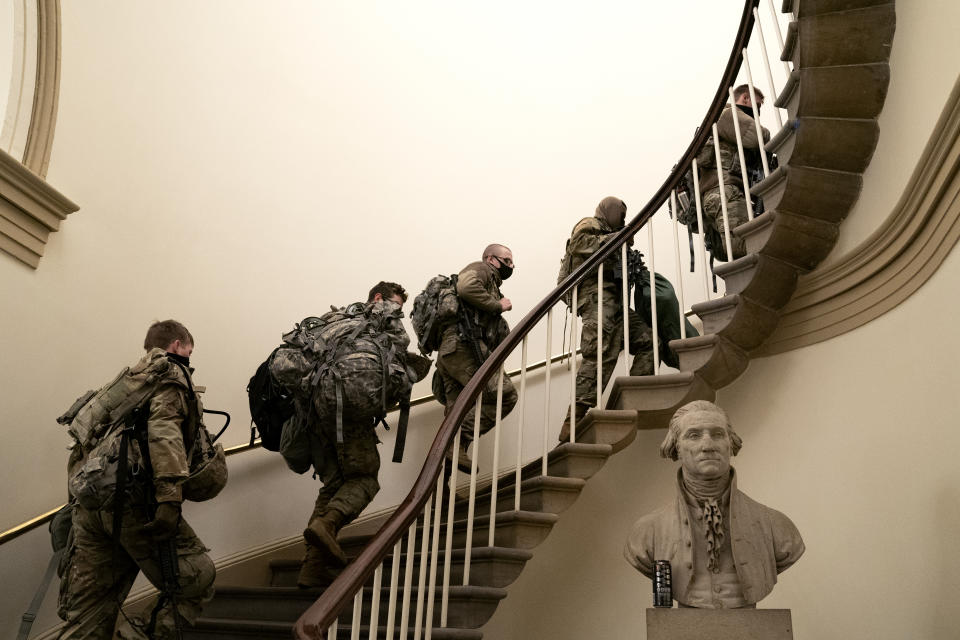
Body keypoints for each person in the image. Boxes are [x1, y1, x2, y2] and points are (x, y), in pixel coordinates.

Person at [58, 320, 216, 640]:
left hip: (89, 505)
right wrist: (170, 497)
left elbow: (82, 448)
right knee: (197, 578)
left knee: (89, 615)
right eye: (189, 350)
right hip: (131, 501)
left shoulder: (122, 388)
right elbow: (164, 430)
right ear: (176, 346)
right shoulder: (170, 372)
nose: (189, 356)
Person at [297, 281, 429, 589]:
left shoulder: (337, 320)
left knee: (334, 485)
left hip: (316, 413)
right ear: (379, 298)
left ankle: (311, 568)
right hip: (349, 415)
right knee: (365, 479)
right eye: (396, 304)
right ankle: (327, 525)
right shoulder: (381, 318)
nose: (399, 310)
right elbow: (398, 357)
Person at [623, 400, 805, 608]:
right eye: (693, 435)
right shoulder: (648, 531)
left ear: (731, 444)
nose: (708, 445)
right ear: (676, 448)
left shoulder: (775, 526)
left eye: (717, 434)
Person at [558, 197, 655, 441]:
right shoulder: (589, 223)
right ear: (610, 211)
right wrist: (622, 236)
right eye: (621, 214)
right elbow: (582, 245)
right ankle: (573, 419)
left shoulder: (613, 234)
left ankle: (630, 396)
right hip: (596, 298)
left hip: (615, 303)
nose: (623, 220)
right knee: (599, 354)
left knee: (649, 342)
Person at [434, 245, 519, 471]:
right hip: (463, 347)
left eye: (512, 263)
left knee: (456, 414)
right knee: (504, 395)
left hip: (451, 353)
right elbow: (466, 286)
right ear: (491, 258)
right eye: (507, 260)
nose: (511, 266)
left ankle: (441, 495)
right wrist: (497, 305)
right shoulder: (482, 269)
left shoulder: (491, 284)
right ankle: (455, 442)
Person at [696, 85, 771, 262]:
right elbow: (758, 136)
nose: (758, 112)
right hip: (726, 192)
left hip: (724, 194)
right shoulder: (726, 113)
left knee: (742, 252)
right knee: (744, 251)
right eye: (757, 105)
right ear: (745, 98)